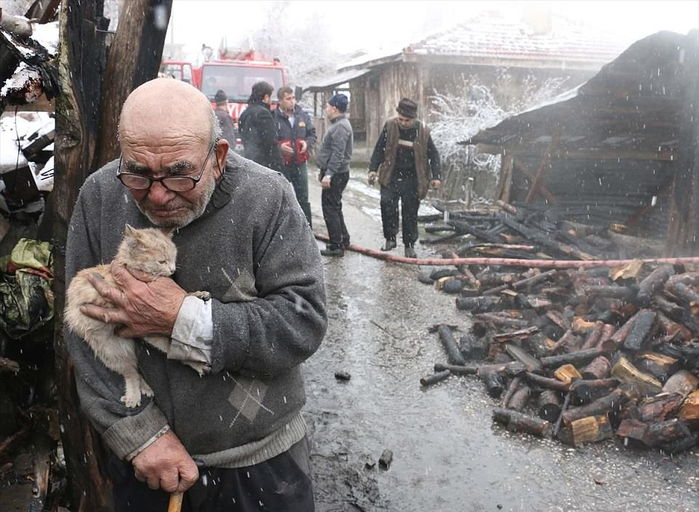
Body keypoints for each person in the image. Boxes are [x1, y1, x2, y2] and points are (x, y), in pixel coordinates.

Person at [64, 78, 326, 511]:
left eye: (180, 174)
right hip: (147, 466)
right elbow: (82, 330)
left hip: (260, 462)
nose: (158, 194)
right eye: (139, 173)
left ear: (218, 157)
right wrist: (139, 435)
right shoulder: (100, 195)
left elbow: (303, 320)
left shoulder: (267, 196)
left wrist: (183, 318)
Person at [368, 98, 442, 258]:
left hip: (413, 178)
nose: (403, 123)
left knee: (410, 212)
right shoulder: (390, 126)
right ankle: (390, 238)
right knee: (387, 204)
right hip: (391, 175)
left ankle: (409, 245)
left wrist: (436, 176)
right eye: (400, 119)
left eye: (407, 120)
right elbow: (379, 148)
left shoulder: (422, 131)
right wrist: (373, 169)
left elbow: (434, 155)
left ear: (414, 118)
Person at [316, 93, 353, 257]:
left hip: (336, 173)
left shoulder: (340, 127)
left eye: (328, 106)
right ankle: (343, 239)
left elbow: (338, 154)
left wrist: (329, 174)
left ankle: (336, 245)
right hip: (336, 172)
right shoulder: (340, 124)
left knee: (330, 208)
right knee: (335, 206)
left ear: (335, 108)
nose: (326, 109)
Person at [274, 86, 316, 226]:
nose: (292, 102)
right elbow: (268, 140)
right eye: (288, 99)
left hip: (300, 163)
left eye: (293, 98)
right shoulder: (273, 117)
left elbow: (312, 134)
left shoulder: (302, 115)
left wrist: (307, 143)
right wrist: (279, 147)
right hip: (282, 164)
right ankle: (284, 228)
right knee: (282, 198)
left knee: (303, 197)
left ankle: (307, 228)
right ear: (280, 101)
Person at [238, 80, 283, 171]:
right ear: (266, 97)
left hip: (249, 161)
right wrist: (279, 166)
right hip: (264, 165)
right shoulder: (264, 114)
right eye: (270, 97)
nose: (271, 101)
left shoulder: (244, 113)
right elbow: (270, 142)